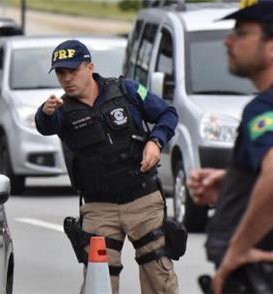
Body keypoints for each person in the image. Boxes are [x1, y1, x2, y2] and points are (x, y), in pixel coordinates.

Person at [187, 1, 273, 293]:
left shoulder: (268, 107)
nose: (228, 41)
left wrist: (238, 250)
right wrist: (237, 183)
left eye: (242, 33)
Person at [35, 39, 179, 294]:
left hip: (142, 200)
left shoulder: (127, 90)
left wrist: (156, 142)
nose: (67, 78)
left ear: (89, 66)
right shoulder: (60, 111)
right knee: (99, 281)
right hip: (99, 209)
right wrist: (44, 113)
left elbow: (167, 114)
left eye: (73, 70)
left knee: (159, 275)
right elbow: (45, 126)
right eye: (61, 73)